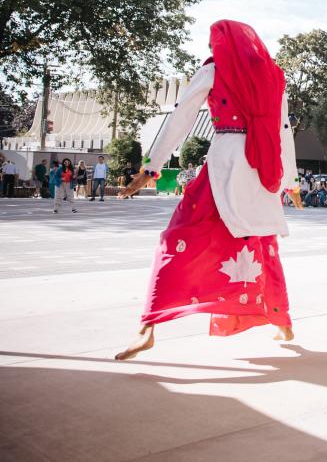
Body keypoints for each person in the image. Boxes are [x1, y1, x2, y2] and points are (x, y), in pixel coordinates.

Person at [114, 19, 300, 361]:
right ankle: (282, 320)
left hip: (226, 164)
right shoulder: (272, 75)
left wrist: (151, 168)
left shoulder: (215, 69)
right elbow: (282, 127)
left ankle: (148, 329)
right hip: (262, 169)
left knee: (177, 237)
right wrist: (290, 180)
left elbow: (181, 117)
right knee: (262, 244)